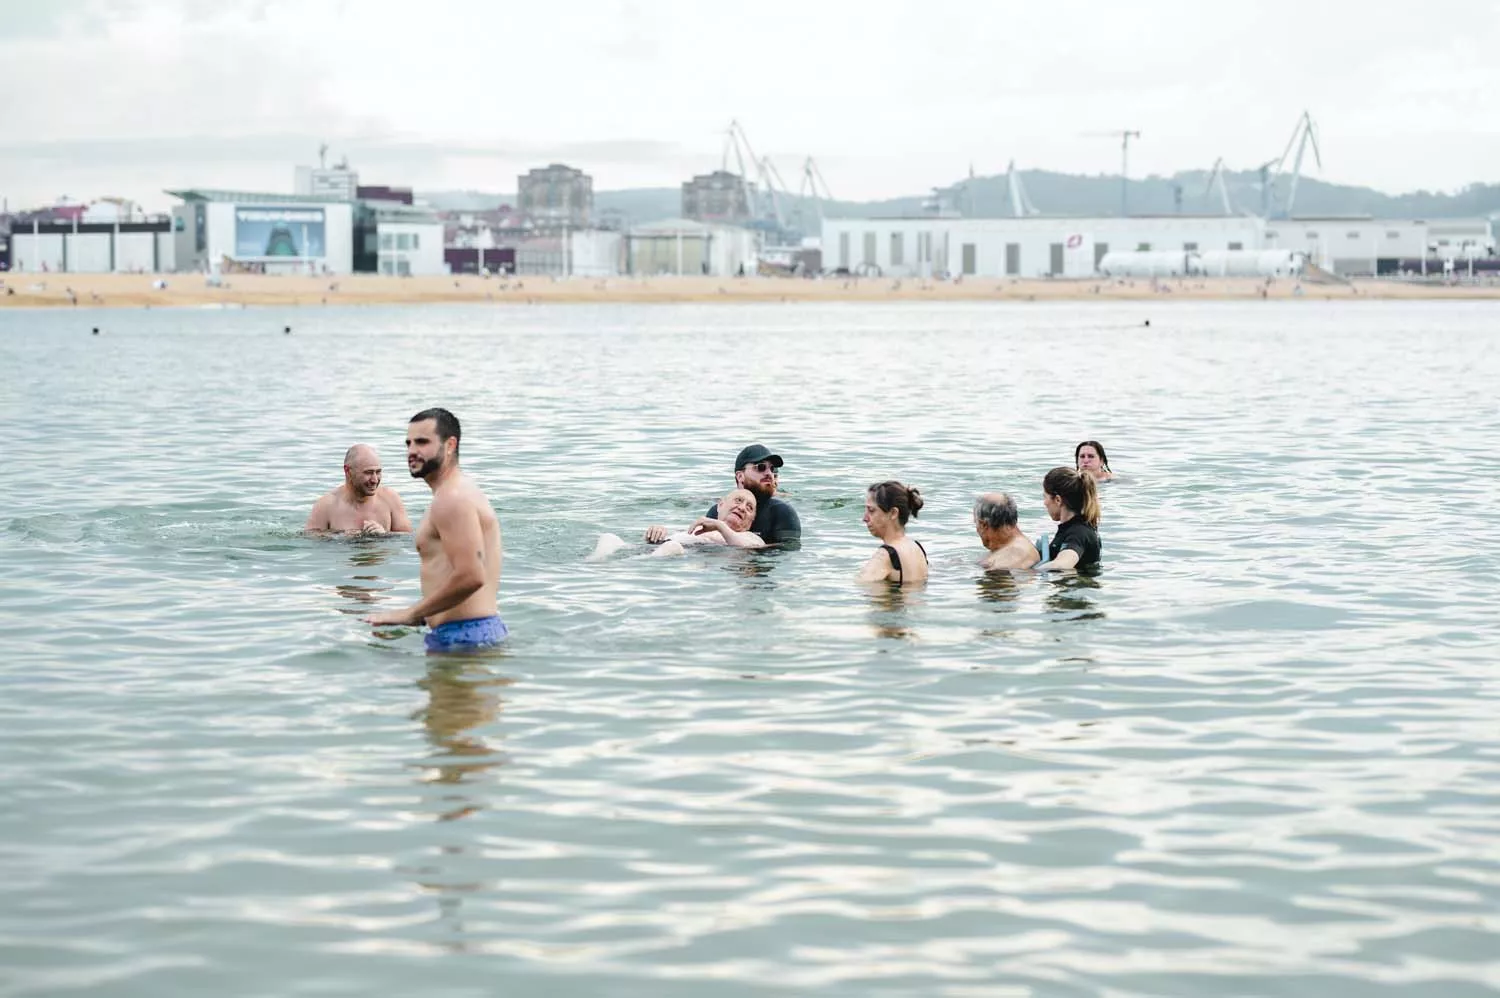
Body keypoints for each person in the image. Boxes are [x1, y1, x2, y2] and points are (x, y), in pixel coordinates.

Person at [365, 408, 506, 652]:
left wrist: (410, 613)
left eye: (422, 442)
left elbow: (472, 576)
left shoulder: (451, 499)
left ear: (450, 445)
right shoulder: (458, 491)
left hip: (464, 637)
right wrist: (421, 618)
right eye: (408, 443)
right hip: (471, 632)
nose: (411, 451)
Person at [644, 444, 801, 547]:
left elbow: (787, 552)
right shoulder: (717, 511)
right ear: (740, 476)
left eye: (772, 469)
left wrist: (753, 547)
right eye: (760, 467)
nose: (769, 473)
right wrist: (660, 533)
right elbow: (700, 543)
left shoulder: (782, 512)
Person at [590, 488, 765, 560]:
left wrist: (720, 526)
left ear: (750, 523)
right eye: (738, 500)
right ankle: (592, 566)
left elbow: (745, 547)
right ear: (720, 505)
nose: (742, 508)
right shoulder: (697, 528)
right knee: (609, 537)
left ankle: (624, 567)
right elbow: (669, 538)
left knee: (673, 547)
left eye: (749, 508)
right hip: (657, 548)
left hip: (680, 554)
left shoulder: (749, 537)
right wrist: (655, 533)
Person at [305, 444, 412, 535]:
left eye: (378, 472)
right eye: (368, 472)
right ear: (348, 471)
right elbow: (310, 541)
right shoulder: (326, 505)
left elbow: (408, 539)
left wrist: (384, 535)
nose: (374, 480)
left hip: (380, 557)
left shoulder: (390, 498)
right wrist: (340, 537)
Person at [857, 480, 928, 584]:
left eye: (871, 510)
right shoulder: (917, 548)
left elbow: (860, 587)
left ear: (893, 513)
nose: (865, 518)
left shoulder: (886, 555)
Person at [1037, 467, 1102, 571]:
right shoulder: (1076, 528)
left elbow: (1062, 565)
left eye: (1045, 497)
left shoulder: (1078, 533)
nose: (1044, 503)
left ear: (1058, 500)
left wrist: (1028, 573)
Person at [973, 492, 1039, 570]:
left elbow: (999, 579)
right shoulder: (1012, 547)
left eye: (975, 523)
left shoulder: (1014, 554)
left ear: (983, 525)